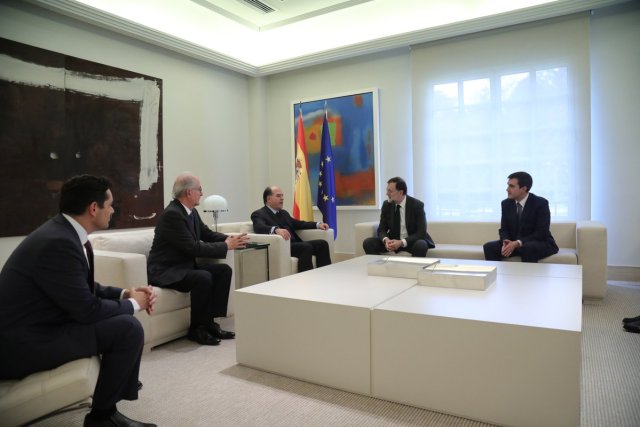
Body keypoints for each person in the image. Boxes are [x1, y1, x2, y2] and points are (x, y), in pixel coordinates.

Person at [0, 175, 157, 427]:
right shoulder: (59, 242)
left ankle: (111, 401)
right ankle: (101, 418)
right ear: (93, 208)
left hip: (38, 327)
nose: (113, 210)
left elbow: (79, 288)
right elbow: (87, 310)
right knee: (128, 328)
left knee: (123, 320)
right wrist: (136, 304)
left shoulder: (61, 233)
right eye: (110, 205)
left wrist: (125, 294)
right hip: (22, 345)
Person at [147, 172, 248, 346]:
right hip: (166, 271)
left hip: (183, 268)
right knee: (202, 277)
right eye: (199, 190)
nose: (202, 193)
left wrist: (231, 239)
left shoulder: (191, 212)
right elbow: (192, 247)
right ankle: (197, 329)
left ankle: (209, 322)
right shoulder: (173, 214)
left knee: (223, 270)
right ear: (188, 192)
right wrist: (226, 246)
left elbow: (206, 234)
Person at [251, 186, 332, 272]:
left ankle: (325, 275)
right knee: (306, 247)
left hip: (295, 244)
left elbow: (299, 224)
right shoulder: (259, 214)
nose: (282, 198)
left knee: (322, 244)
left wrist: (317, 225)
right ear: (268, 199)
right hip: (283, 246)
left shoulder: (283, 213)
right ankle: (306, 280)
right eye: (278, 196)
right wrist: (276, 230)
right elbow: (259, 227)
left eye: (282, 196)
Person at [483, 171, 558, 263]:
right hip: (514, 243)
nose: (507, 189)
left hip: (539, 242)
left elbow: (541, 233)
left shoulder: (540, 203)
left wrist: (518, 242)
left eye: (512, 186)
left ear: (524, 188)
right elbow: (504, 229)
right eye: (508, 185)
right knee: (489, 247)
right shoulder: (506, 204)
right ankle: (499, 276)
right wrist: (505, 241)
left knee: (528, 248)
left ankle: (528, 277)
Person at [363, 177, 435, 257]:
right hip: (392, 242)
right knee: (368, 243)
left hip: (410, 242)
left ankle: (413, 269)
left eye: (390, 191)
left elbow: (421, 232)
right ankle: (379, 268)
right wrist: (386, 240)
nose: (387, 193)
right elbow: (381, 229)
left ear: (400, 192)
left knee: (421, 245)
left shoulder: (417, 205)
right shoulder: (386, 205)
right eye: (387, 190)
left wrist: (401, 242)